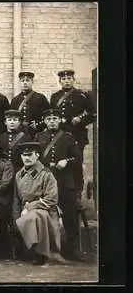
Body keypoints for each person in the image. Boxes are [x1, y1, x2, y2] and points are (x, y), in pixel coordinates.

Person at [34, 108, 84, 261]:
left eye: (55, 119)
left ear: (59, 120)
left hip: (65, 181)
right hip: (46, 181)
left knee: (70, 215)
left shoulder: (68, 137)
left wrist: (66, 162)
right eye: (49, 119)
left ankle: (73, 248)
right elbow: (35, 159)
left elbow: (78, 159)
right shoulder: (38, 136)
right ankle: (43, 251)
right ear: (45, 121)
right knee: (44, 214)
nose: (52, 121)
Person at [50, 69, 96, 203]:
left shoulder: (81, 95)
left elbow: (92, 113)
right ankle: (60, 194)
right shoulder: (55, 96)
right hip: (60, 137)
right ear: (60, 81)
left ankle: (77, 194)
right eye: (64, 79)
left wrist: (80, 119)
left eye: (69, 79)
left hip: (77, 137)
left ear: (73, 80)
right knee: (59, 164)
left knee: (75, 164)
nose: (67, 81)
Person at [12, 142, 60, 266]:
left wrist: (30, 207)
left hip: (45, 209)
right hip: (24, 210)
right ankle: (30, 250)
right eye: (24, 155)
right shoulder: (19, 174)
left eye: (30, 155)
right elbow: (16, 198)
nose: (27, 158)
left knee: (36, 216)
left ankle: (41, 253)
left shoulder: (46, 174)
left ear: (37, 155)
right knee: (23, 218)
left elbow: (52, 199)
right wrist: (16, 215)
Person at [10, 72, 50, 136]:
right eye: (22, 81)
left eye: (28, 80)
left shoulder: (40, 97)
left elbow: (48, 114)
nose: (25, 83)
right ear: (19, 82)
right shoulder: (15, 100)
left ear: (32, 82)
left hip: (36, 131)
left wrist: (38, 124)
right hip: (20, 133)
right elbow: (11, 116)